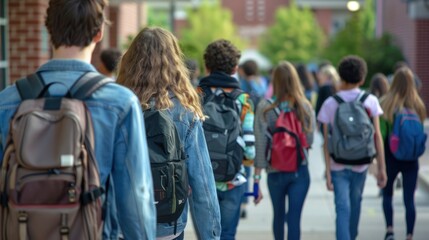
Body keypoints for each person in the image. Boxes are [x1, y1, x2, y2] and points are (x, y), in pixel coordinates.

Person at [0, 1, 156, 239]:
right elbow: (136, 195)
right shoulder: (120, 102)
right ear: (99, 33)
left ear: (48, 29)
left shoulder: (8, 100)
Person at [116, 27, 221, 240]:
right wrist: (211, 235)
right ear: (174, 62)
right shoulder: (184, 111)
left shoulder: (117, 104)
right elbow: (202, 182)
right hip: (168, 225)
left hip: (123, 223)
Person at [317, 55, 387, 240]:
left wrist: (328, 172)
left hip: (338, 164)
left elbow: (326, 141)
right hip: (362, 163)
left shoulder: (330, 103)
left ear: (340, 77)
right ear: (362, 78)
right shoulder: (370, 100)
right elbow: (377, 136)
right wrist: (382, 168)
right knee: (355, 204)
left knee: (342, 209)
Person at [198, 39, 259, 240]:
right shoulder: (243, 100)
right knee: (227, 234)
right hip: (233, 179)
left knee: (207, 235)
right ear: (235, 68)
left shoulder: (195, 96)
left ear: (207, 66)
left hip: (202, 180)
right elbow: (250, 149)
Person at [254, 61, 315, 240]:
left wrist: (256, 181)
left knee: (278, 217)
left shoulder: (265, 107)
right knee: (294, 220)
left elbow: (260, 145)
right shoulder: (305, 106)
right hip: (300, 170)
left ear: (275, 81)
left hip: (275, 171)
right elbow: (309, 141)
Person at [380, 67, 426, 240]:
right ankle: (409, 235)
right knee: (409, 199)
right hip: (412, 158)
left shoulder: (386, 103)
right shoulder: (419, 105)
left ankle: (390, 230)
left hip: (390, 157)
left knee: (387, 194)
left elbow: (382, 134)